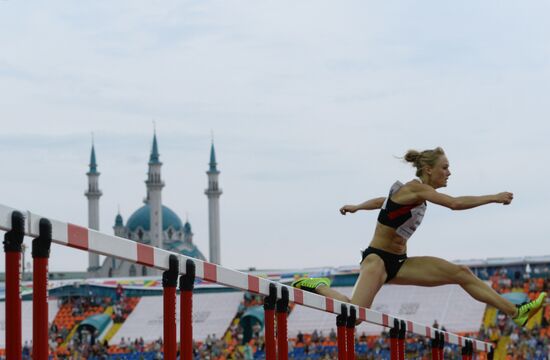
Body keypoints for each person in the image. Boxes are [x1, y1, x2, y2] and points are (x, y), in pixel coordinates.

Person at [291, 147, 546, 327]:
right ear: (427, 169)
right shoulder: (414, 188)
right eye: (444, 168)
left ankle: (516, 312)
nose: (449, 173)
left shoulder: (415, 194)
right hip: (377, 260)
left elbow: (383, 201)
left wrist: (358, 206)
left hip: (401, 263)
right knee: (355, 315)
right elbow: (455, 204)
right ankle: (316, 284)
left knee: (462, 273)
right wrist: (493, 197)